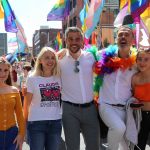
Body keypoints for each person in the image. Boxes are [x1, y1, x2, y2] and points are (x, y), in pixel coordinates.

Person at [59, 27, 100, 150]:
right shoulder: (58, 60)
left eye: (77, 39)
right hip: (69, 110)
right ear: (66, 40)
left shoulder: (92, 57)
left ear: (82, 40)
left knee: (94, 146)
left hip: (90, 109)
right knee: (72, 147)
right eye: (70, 39)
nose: (74, 42)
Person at [96, 26, 137, 150]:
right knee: (119, 128)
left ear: (132, 40)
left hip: (126, 109)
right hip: (106, 106)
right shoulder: (103, 56)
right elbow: (83, 56)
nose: (123, 37)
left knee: (126, 146)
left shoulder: (137, 62)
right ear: (116, 39)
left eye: (126, 35)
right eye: (120, 35)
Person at [23, 47, 62, 150]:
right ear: (40, 60)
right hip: (36, 123)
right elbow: (26, 104)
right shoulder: (32, 79)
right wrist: (24, 125)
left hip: (55, 122)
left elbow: (66, 52)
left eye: (53, 58)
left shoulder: (59, 76)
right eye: (47, 58)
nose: (50, 61)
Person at [0, 57, 25, 150]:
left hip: (12, 135)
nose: (3, 73)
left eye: (6, 70)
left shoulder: (14, 90)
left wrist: (21, 135)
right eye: (0, 70)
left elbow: (20, 115)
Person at [132, 48, 150, 150]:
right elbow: (133, 96)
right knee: (138, 146)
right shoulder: (134, 78)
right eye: (140, 59)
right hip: (140, 117)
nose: (142, 62)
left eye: (146, 59)